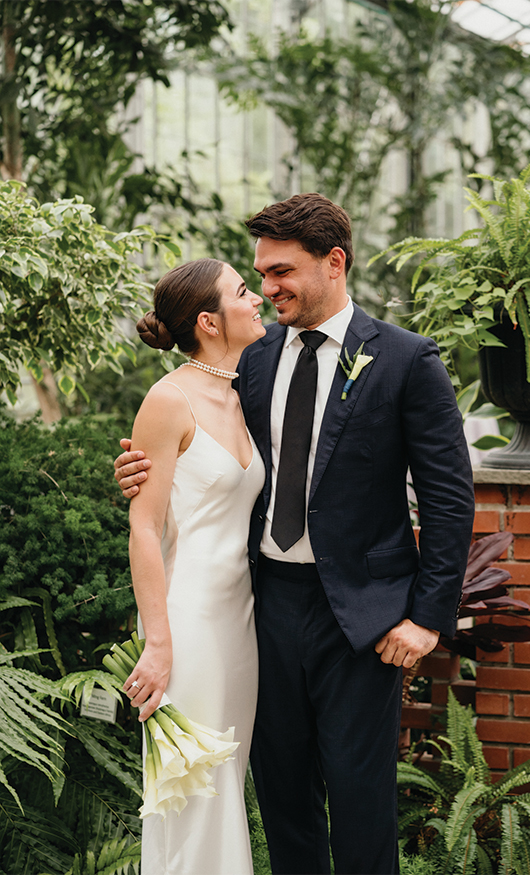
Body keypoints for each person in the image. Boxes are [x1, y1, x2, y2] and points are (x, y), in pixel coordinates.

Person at [116, 194, 476, 873]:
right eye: (258, 274)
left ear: (333, 262)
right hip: (262, 607)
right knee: (284, 798)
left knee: (360, 796)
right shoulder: (251, 359)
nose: (268, 288)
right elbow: (201, 456)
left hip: (360, 617)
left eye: (280, 271)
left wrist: (428, 619)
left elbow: (451, 498)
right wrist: (141, 469)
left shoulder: (404, 360)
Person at [124, 257, 266, 874]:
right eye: (242, 291)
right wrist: (157, 643)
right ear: (209, 321)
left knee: (223, 786)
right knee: (193, 794)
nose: (257, 296)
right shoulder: (168, 399)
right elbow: (144, 526)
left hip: (241, 622)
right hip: (186, 624)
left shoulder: (241, 390)